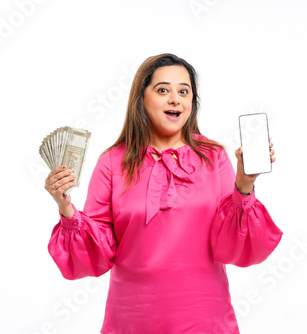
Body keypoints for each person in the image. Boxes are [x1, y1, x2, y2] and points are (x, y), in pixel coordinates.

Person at [45, 53, 283, 334]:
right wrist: (66, 209)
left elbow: (230, 243)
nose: (175, 99)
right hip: (132, 317)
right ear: (141, 99)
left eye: (184, 91)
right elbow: (98, 249)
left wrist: (244, 184)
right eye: (163, 90)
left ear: (192, 103)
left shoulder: (214, 156)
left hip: (204, 315)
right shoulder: (112, 162)